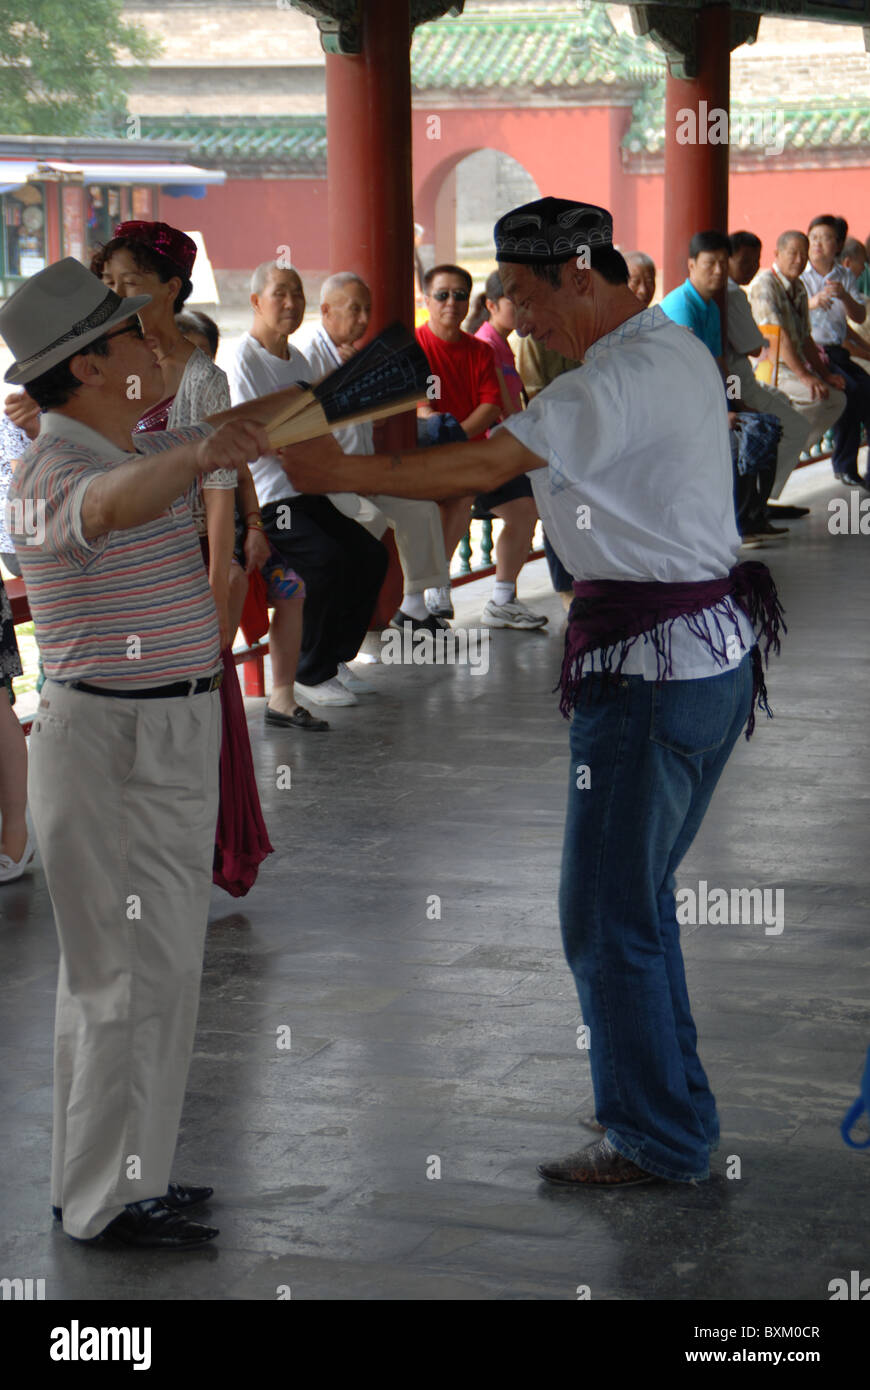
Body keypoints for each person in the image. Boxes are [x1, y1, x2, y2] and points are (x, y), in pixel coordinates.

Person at [279, 196, 784, 1189]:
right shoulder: (665, 349)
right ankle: (672, 1115)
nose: (514, 316)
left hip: (648, 673)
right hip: (703, 657)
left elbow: (484, 462)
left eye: (525, 294)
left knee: (602, 917)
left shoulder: (615, 379)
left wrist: (327, 464)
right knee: (631, 908)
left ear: (583, 277)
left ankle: (658, 1136)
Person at [0, 256, 300, 1248]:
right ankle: (101, 1202)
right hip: (110, 742)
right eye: (135, 337)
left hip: (165, 725)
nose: (155, 346)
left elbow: (273, 422)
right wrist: (201, 452)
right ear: (89, 367)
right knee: (117, 976)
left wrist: (350, 393)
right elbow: (119, 503)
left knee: (159, 968)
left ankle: (129, 1175)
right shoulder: (55, 471)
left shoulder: (143, 436)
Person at [97, 220, 273, 895]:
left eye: (131, 285)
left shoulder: (202, 380)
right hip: (110, 568)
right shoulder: (99, 364)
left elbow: (220, 493)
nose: (114, 297)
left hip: (173, 571)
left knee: (182, 719)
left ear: (171, 288)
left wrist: (214, 594)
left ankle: (178, 855)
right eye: (107, 284)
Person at [228, 260, 388, 710]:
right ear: (256, 301)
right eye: (280, 293)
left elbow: (309, 424)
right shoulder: (243, 357)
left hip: (306, 486)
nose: (291, 302)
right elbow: (252, 431)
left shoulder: (295, 358)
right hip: (269, 496)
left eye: (297, 294)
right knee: (327, 561)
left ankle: (333, 659)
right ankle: (307, 671)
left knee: (370, 554)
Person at [297, 271, 452, 635]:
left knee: (422, 510)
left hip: (361, 474)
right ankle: (334, 639)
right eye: (355, 309)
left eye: (367, 310)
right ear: (326, 311)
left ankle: (413, 608)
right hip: (326, 484)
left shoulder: (354, 354)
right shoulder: (308, 357)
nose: (364, 320)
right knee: (370, 527)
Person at [418, 263, 546, 630]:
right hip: (430, 455)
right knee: (459, 495)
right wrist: (449, 439)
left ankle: (503, 600)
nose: (451, 303)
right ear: (427, 299)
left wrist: (458, 437)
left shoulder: (478, 349)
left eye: (459, 295)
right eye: (442, 295)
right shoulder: (416, 346)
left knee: (525, 509)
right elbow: (421, 408)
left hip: (474, 451)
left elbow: (491, 404)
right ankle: (434, 586)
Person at [660, 231, 785, 543]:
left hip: (707, 401)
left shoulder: (711, 308)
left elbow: (719, 365)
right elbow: (684, 377)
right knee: (733, 444)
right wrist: (719, 414)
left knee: (764, 429)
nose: (717, 270)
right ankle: (732, 525)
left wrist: (737, 403)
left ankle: (751, 517)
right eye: (709, 264)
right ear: (691, 265)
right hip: (678, 408)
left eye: (721, 263)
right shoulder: (682, 306)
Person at [749, 231, 848, 477]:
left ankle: (781, 455)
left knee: (837, 399)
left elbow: (804, 337)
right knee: (818, 397)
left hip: (792, 367)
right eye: (792, 253)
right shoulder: (765, 285)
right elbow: (777, 338)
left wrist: (824, 374)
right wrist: (805, 376)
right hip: (768, 369)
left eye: (803, 254)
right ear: (777, 254)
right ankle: (775, 452)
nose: (798, 259)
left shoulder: (799, 287)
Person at [726, 231, 811, 517]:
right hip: (738, 386)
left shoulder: (795, 288)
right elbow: (754, 344)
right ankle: (759, 504)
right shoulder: (733, 293)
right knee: (794, 426)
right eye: (745, 261)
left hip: (740, 382)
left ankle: (760, 501)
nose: (751, 267)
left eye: (755, 261)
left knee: (784, 407)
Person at [800, 216, 870, 487]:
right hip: (812, 353)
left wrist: (844, 296)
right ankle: (844, 466)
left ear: (838, 244)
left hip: (838, 353)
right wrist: (813, 302)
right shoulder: (801, 276)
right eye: (813, 236)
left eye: (825, 237)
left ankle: (856, 466)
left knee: (866, 389)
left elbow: (859, 316)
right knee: (850, 390)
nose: (817, 243)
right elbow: (788, 316)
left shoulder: (842, 276)